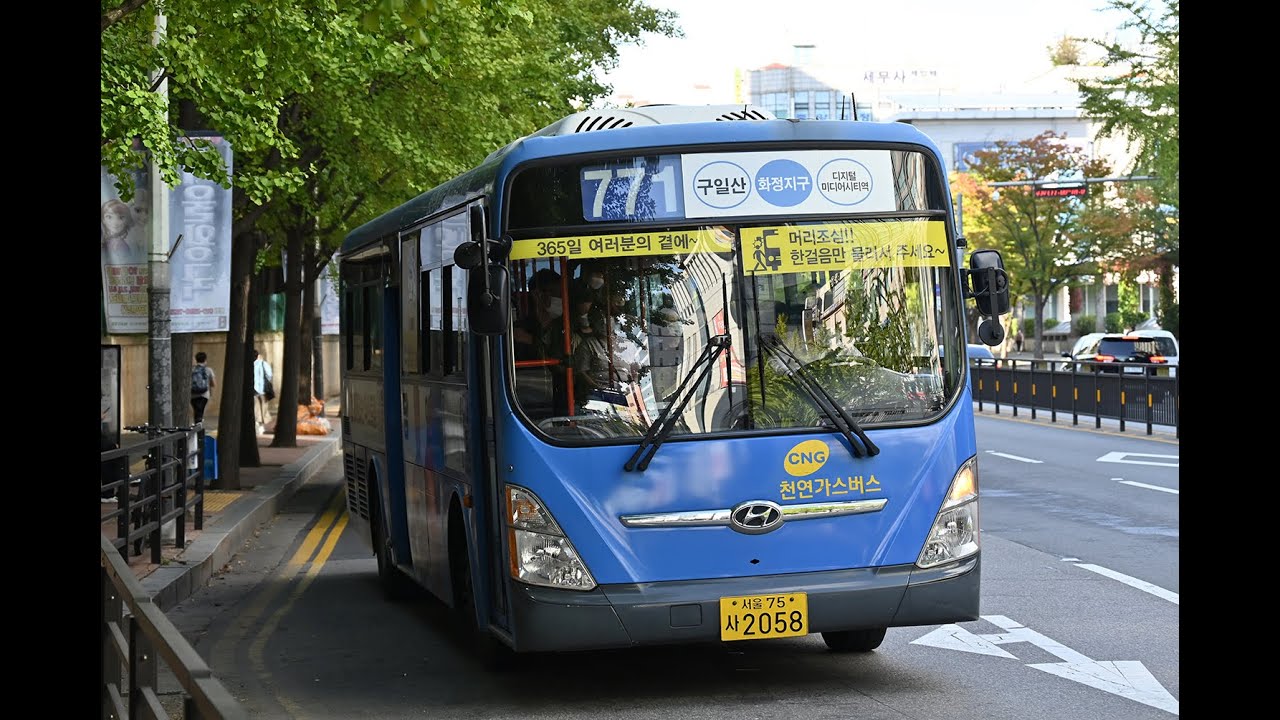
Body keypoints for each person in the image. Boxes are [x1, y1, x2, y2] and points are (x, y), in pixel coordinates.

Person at [190, 351, 216, 425]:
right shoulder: (208, 370)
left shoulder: (192, 370)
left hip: (193, 394)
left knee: (197, 412)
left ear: (196, 359)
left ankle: (197, 425)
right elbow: (213, 384)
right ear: (205, 359)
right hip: (204, 395)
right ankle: (199, 428)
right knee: (200, 412)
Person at [253, 349, 274, 435]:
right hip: (263, 389)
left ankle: (258, 424)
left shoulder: (248, 364)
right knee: (263, 408)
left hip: (253, 389)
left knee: (256, 407)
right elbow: (269, 375)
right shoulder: (263, 363)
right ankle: (261, 425)